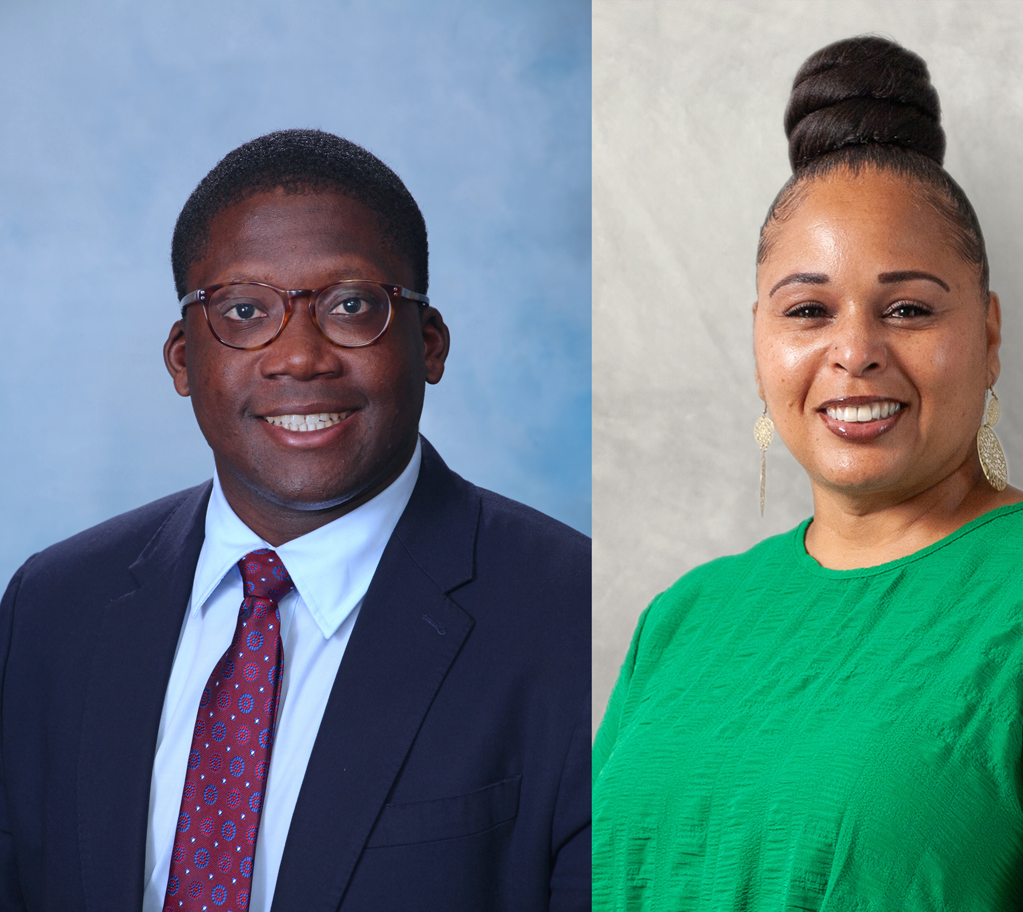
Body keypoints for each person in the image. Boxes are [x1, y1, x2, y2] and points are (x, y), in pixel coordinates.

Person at [592, 37, 1023, 912]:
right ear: (760, 342)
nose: (855, 353)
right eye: (808, 311)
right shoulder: (683, 621)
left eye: (908, 309)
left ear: (988, 336)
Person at [0, 130, 589, 912]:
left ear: (430, 344)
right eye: (245, 311)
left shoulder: (575, 614)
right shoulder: (53, 607)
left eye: (352, 306)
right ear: (182, 360)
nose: (301, 358)